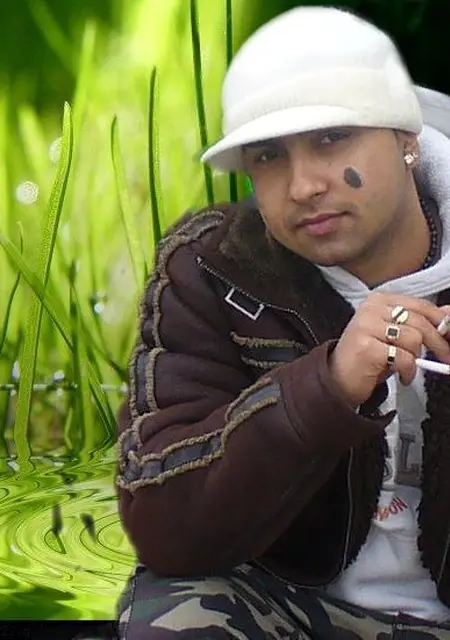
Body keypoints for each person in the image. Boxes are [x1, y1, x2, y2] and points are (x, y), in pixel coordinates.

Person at [115, 5, 450, 639]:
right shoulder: (214, 267)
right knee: (173, 606)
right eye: (268, 155)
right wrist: (325, 388)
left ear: (405, 137)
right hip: (288, 604)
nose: (302, 186)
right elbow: (164, 525)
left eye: (331, 138)